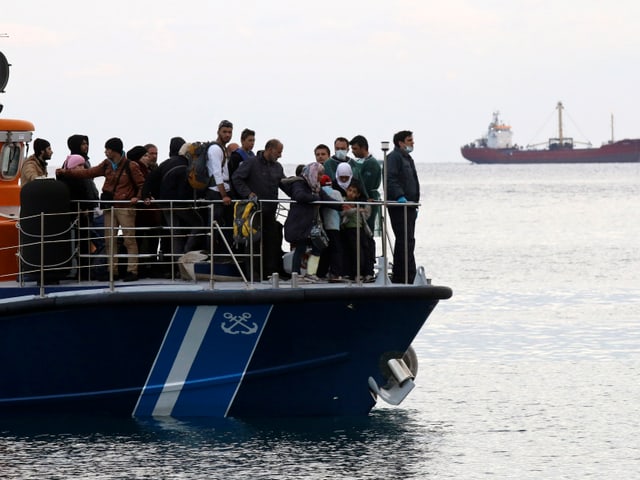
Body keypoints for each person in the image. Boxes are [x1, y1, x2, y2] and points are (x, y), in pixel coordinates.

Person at [56, 137, 145, 282]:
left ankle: (132, 270)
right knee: (110, 240)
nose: (105, 152)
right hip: (109, 206)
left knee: (129, 239)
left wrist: (138, 197)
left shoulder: (131, 166)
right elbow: (89, 173)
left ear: (113, 150)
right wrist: (67, 173)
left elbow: (142, 184)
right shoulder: (106, 165)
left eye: (107, 149)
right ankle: (112, 270)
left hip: (125, 207)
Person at [232, 138, 286, 280]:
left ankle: (270, 272)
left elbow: (284, 184)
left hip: (271, 210)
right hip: (254, 211)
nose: (280, 155)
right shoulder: (251, 163)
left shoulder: (278, 167)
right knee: (253, 242)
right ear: (270, 149)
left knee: (272, 240)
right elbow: (237, 178)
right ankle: (252, 274)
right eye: (279, 152)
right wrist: (248, 193)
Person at [281, 163, 337, 280]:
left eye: (322, 174)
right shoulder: (299, 183)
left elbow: (326, 199)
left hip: (311, 223)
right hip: (300, 222)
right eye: (319, 174)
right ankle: (295, 274)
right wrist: (315, 199)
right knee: (300, 248)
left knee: (318, 247)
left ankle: (311, 273)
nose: (321, 177)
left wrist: (342, 206)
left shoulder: (316, 186)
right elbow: (299, 196)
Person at [56, 154, 101, 279]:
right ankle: (79, 271)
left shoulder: (82, 179)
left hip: (84, 217)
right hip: (76, 217)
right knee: (79, 244)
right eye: (79, 165)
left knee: (85, 244)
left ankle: (84, 271)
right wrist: (83, 208)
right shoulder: (68, 181)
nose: (82, 167)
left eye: (83, 165)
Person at [386, 130, 419, 283]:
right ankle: (404, 275)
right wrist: (400, 196)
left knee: (408, 240)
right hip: (400, 206)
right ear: (400, 143)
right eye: (409, 140)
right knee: (404, 239)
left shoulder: (407, 158)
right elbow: (390, 178)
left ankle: (406, 274)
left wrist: (414, 204)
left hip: (410, 206)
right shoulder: (394, 157)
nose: (412, 142)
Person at [129, 145, 161, 277]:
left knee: (147, 239)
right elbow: (143, 186)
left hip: (148, 211)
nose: (151, 157)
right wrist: (144, 196)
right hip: (144, 211)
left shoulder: (150, 169)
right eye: (148, 155)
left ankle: (147, 266)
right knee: (143, 239)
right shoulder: (138, 169)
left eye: (154, 154)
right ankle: (145, 267)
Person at [206, 120, 234, 251]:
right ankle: (213, 253)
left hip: (222, 189)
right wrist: (224, 195)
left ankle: (223, 251)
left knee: (224, 224)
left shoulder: (222, 149)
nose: (227, 135)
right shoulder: (215, 149)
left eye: (229, 132)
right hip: (216, 192)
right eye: (225, 132)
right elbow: (217, 173)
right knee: (215, 225)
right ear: (218, 132)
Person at [341, 179, 374, 281]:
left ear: (358, 194)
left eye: (354, 192)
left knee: (365, 250)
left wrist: (368, 205)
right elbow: (345, 213)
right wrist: (356, 209)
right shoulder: (344, 201)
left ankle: (367, 273)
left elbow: (366, 216)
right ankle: (356, 273)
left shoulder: (358, 203)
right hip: (350, 229)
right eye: (350, 190)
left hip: (360, 229)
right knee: (355, 251)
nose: (351, 193)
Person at [316, 174, 345, 282]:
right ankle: (336, 274)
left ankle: (320, 273)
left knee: (324, 250)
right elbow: (342, 210)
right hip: (334, 225)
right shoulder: (336, 193)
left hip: (322, 226)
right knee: (336, 249)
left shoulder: (318, 192)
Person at [228, 128, 256, 198]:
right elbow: (232, 177)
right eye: (250, 140)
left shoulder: (252, 155)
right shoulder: (236, 156)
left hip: (250, 191)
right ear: (242, 141)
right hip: (238, 193)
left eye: (253, 140)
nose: (252, 143)